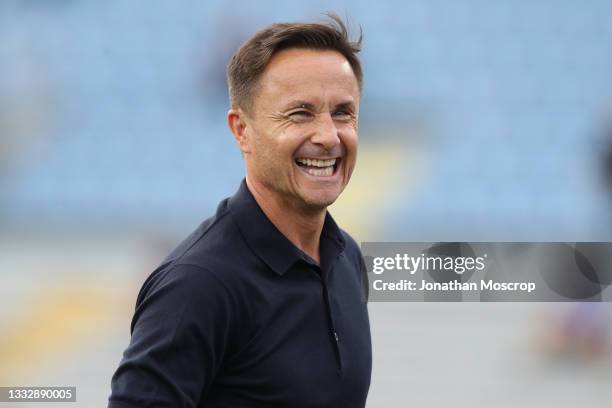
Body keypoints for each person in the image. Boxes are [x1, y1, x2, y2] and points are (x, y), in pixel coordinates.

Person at [108, 15, 372, 408]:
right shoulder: (198, 284)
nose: (328, 136)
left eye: (342, 113)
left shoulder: (346, 258)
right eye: (300, 113)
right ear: (241, 130)